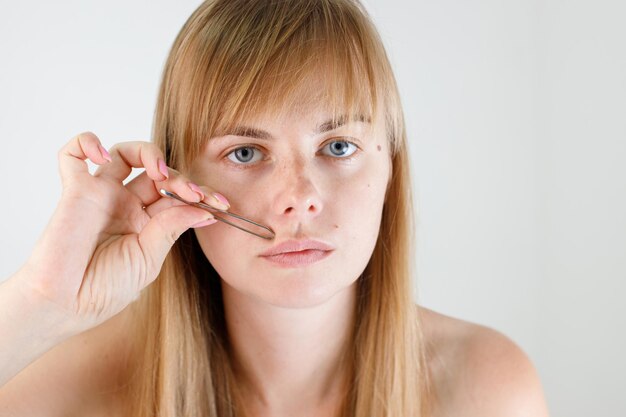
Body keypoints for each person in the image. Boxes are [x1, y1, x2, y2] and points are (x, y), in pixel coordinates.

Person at [0, 0, 550, 415]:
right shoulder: (65, 390)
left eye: (338, 147)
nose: (299, 198)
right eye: (245, 152)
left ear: (391, 171)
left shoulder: (487, 389)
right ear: (176, 183)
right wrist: (42, 299)